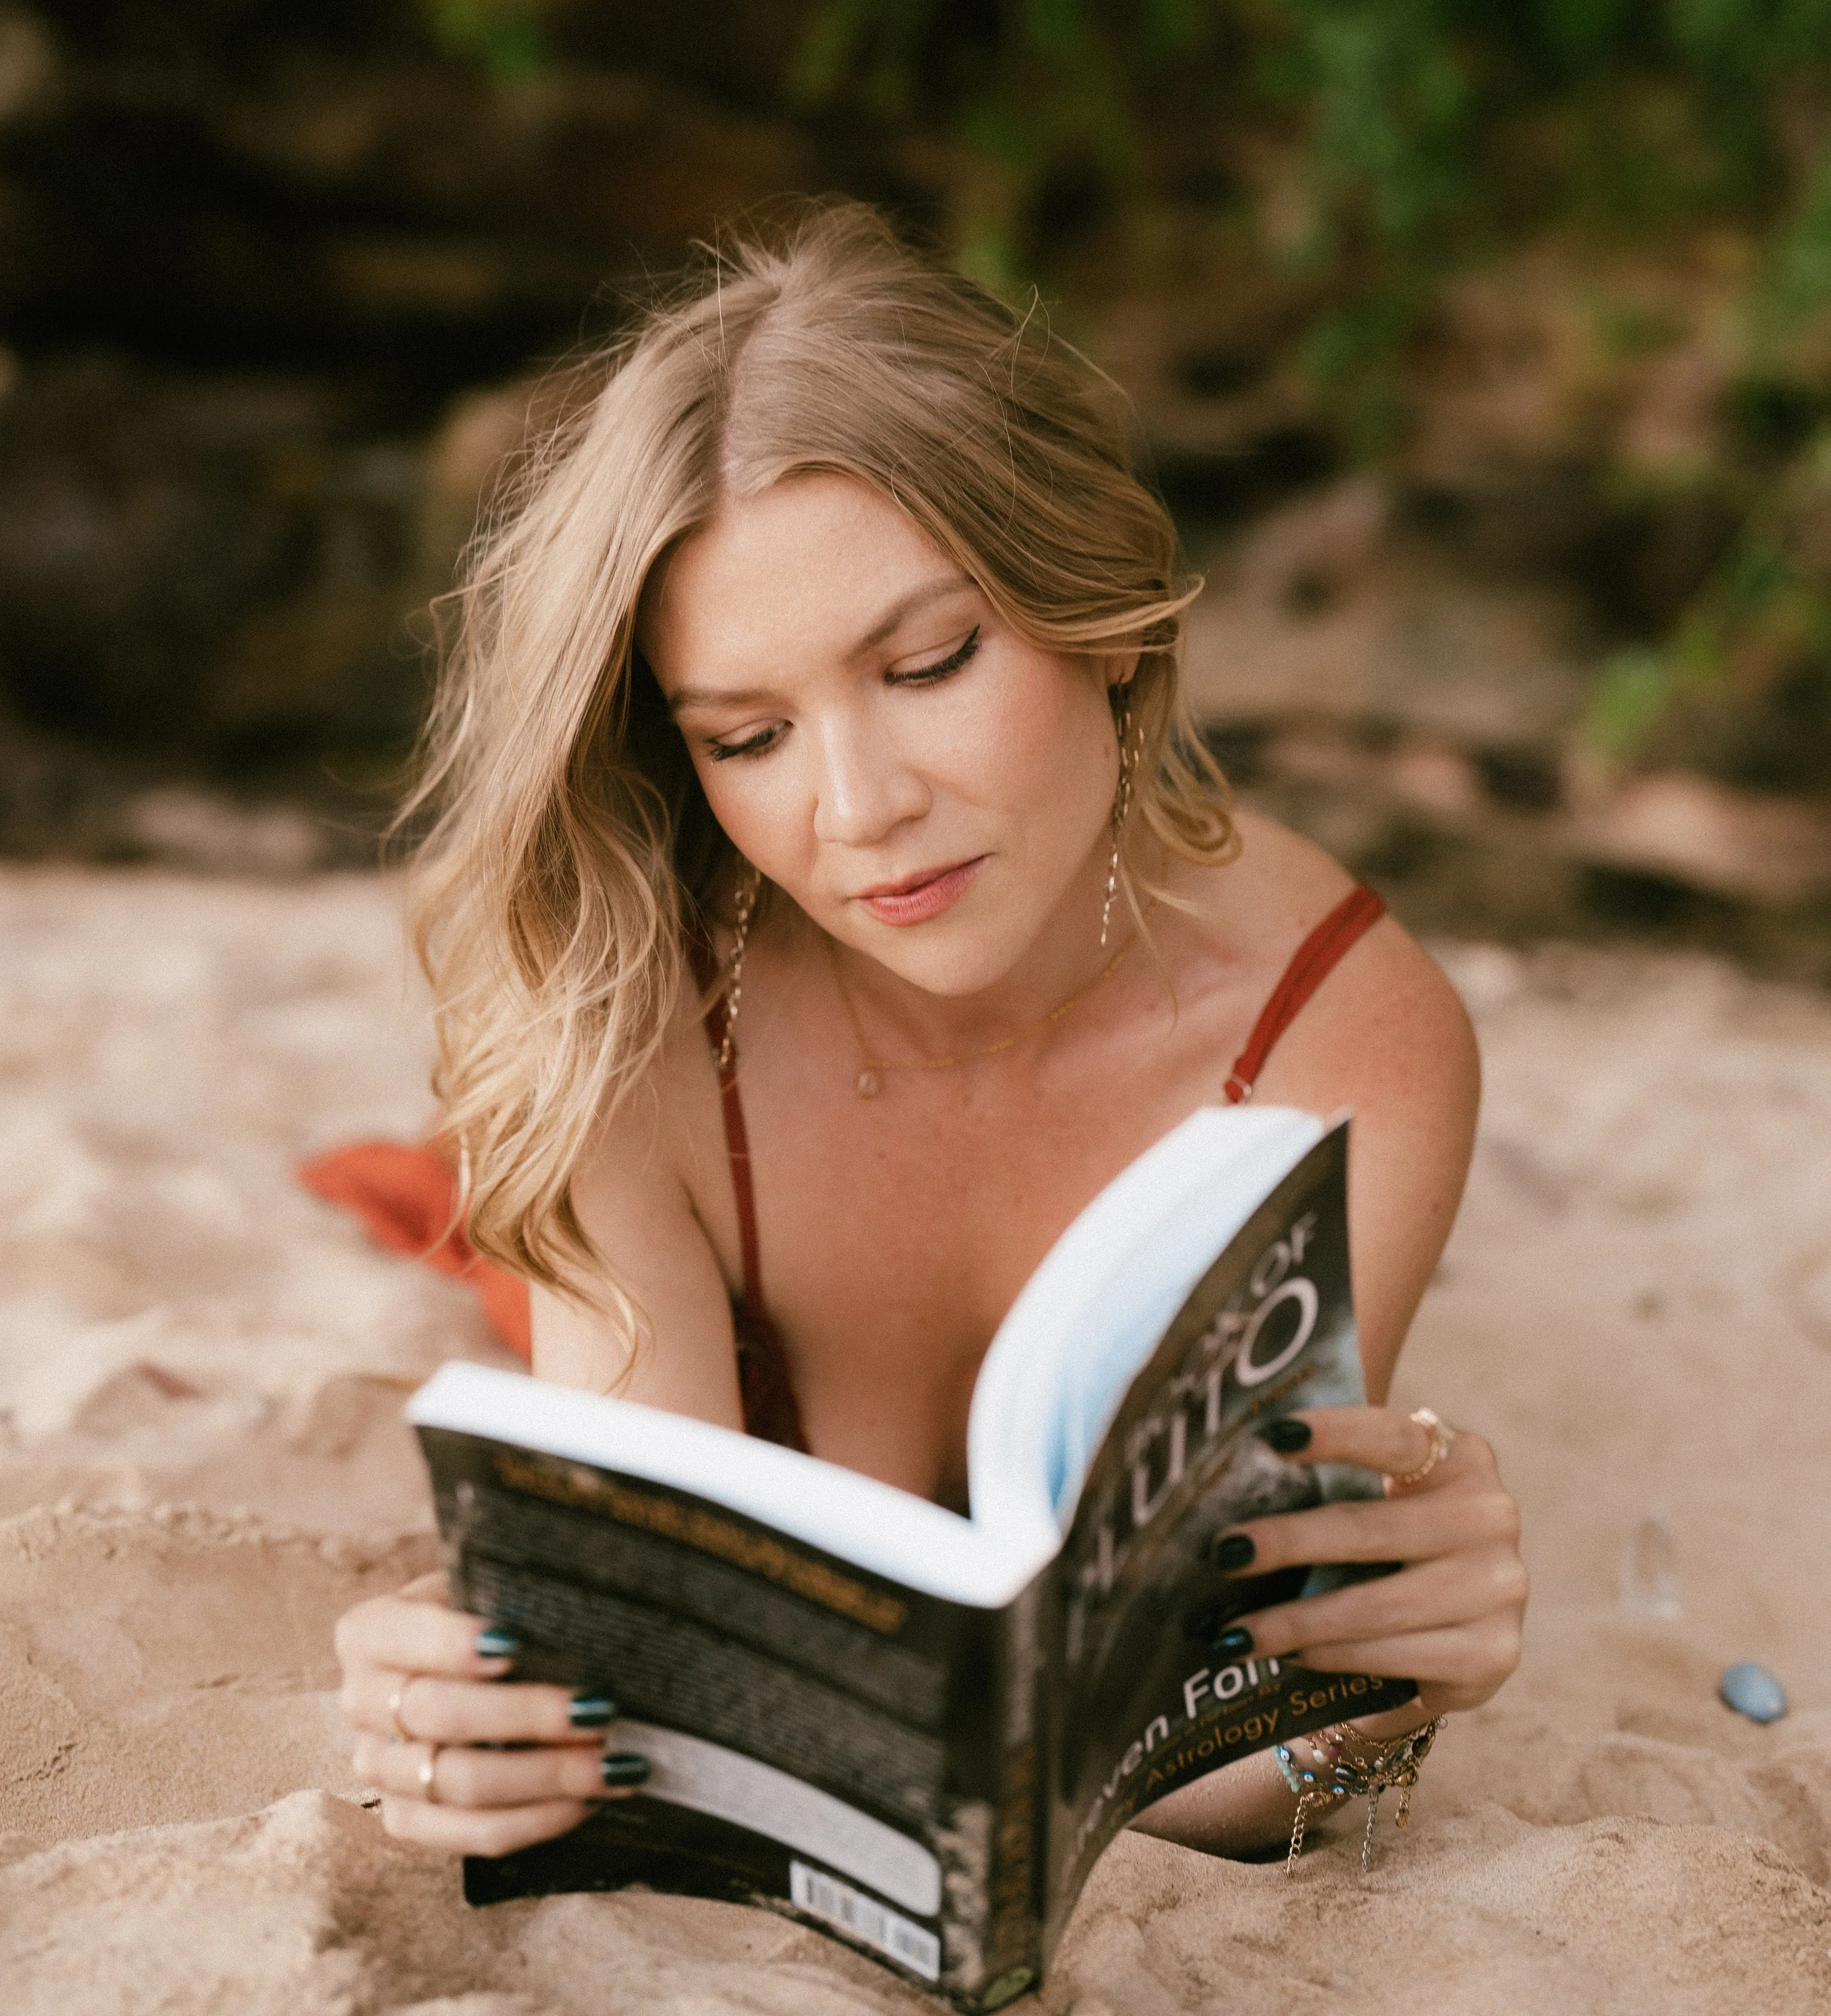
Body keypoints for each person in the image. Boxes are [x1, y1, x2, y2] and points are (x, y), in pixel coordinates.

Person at [335, 203, 1526, 1863]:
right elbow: (657, 1700)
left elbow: (1213, 1749)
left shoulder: (1338, 1042)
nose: (858, 810)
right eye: (746, 736)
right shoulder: (614, 1016)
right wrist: (463, 1730)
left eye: (931, 660)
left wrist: (1376, 1714)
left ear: (1100, 619)